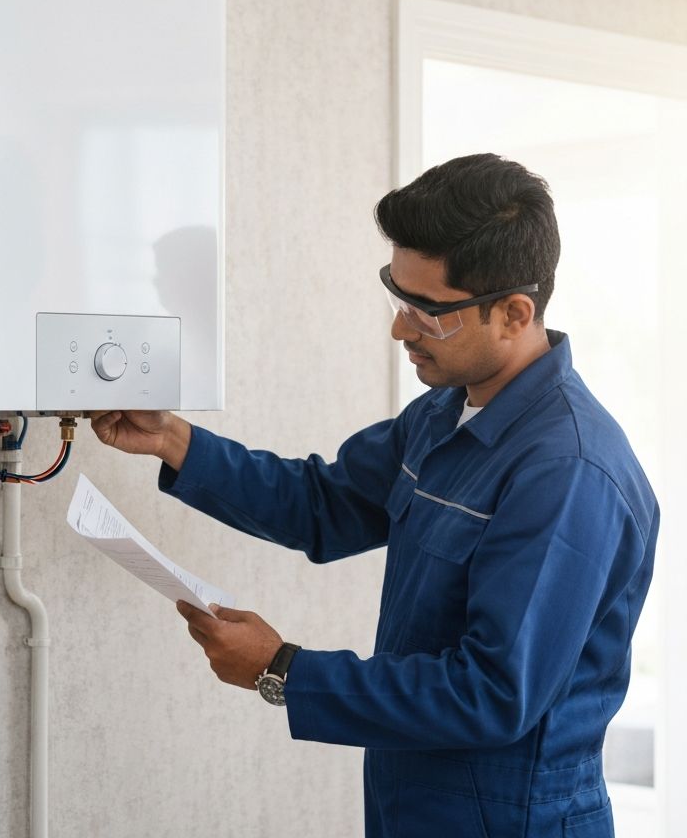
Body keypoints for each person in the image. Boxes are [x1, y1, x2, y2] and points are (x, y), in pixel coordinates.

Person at [90, 153, 659, 838]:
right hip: (409, 800)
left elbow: (491, 694)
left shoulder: (568, 473)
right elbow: (324, 504)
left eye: (429, 313)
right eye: (397, 296)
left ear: (514, 313)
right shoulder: (445, 412)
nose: (400, 329)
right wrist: (173, 440)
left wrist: (282, 670)